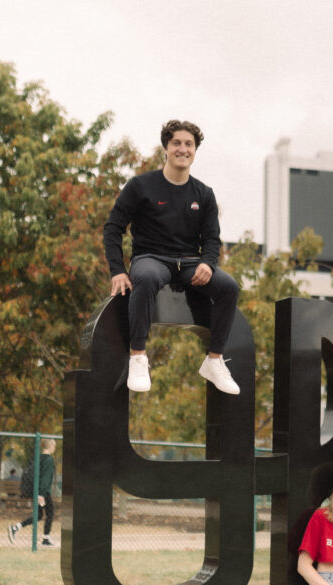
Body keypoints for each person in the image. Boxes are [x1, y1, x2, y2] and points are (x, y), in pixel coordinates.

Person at [103, 119, 240, 395]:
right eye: (176, 142)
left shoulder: (204, 194)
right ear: (166, 147)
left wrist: (208, 263)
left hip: (190, 262)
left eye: (189, 144)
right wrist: (118, 270)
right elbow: (113, 228)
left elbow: (212, 239)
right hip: (151, 257)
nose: (183, 149)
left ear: (195, 150)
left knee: (229, 287)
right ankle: (138, 356)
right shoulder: (141, 186)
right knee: (146, 276)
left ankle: (214, 361)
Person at [7, 439, 58, 547]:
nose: (55, 448)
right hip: (43, 492)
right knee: (50, 513)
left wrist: (38, 493)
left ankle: (15, 528)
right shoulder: (48, 459)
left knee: (39, 515)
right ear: (50, 446)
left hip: (36, 490)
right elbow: (45, 478)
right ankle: (46, 538)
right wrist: (42, 495)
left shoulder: (38, 457)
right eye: (54, 446)